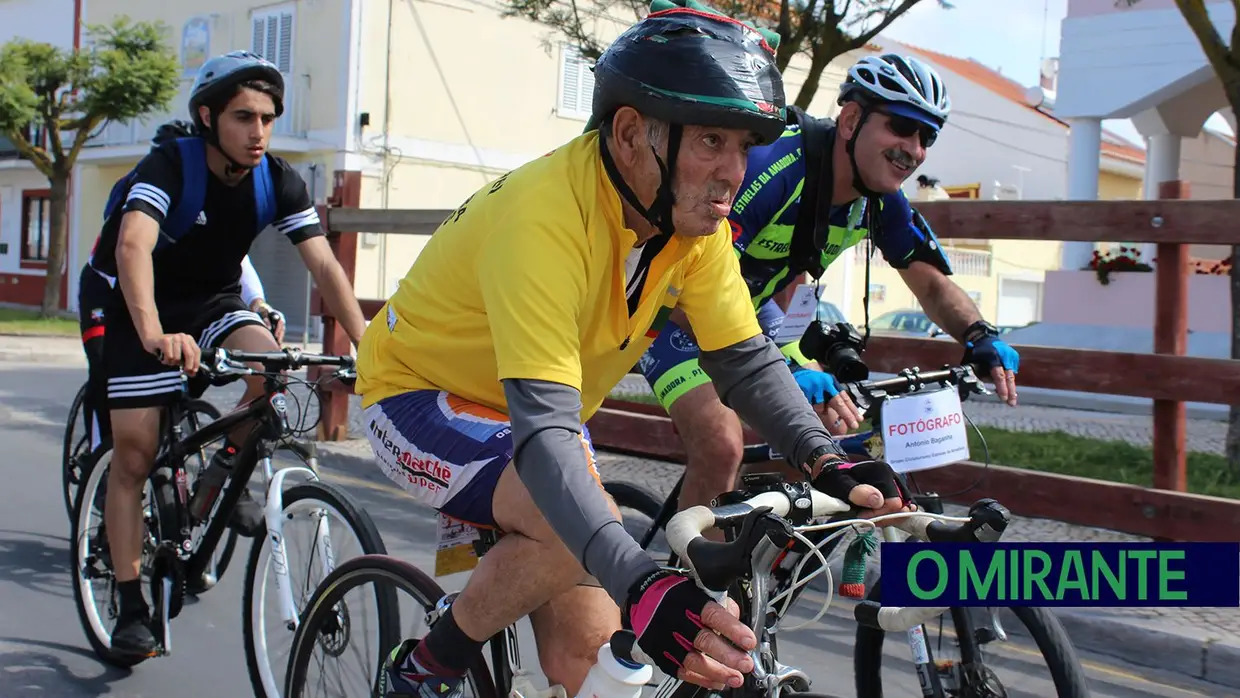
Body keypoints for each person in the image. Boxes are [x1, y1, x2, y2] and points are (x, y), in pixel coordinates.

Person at [354, 1, 912, 695]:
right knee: (578, 528)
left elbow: (743, 357)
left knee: (591, 672)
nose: (734, 172)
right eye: (713, 141)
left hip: (534, 422)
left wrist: (824, 456)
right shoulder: (543, 220)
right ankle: (428, 665)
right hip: (419, 395)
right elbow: (547, 434)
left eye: (745, 147)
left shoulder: (693, 227)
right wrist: (644, 584)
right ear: (628, 133)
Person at [635, 53, 1022, 515]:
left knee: (829, 438)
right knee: (721, 444)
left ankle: (763, 557)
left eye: (927, 137)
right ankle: (688, 579)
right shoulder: (774, 167)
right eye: (902, 126)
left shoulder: (881, 201)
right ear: (851, 119)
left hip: (751, 317)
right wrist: (786, 368)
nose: (915, 150)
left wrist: (979, 334)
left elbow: (932, 283)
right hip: (673, 308)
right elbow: (687, 280)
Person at [85, 50, 366, 658]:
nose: (258, 131)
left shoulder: (276, 179)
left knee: (271, 372)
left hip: (210, 303)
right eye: (243, 117)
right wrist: (157, 333)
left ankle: (221, 476)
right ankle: (132, 603)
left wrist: (368, 346)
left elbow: (322, 261)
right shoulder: (171, 166)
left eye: (267, 117)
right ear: (209, 117)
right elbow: (133, 246)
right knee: (133, 455)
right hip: (140, 308)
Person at [76, 120, 286, 455]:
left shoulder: (207, 193)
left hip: (171, 293)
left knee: (196, 363)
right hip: (107, 286)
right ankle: (101, 456)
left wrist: (258, 302)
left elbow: (236, 260)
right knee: (105, 365)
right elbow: (129, 258)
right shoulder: (145, 187)